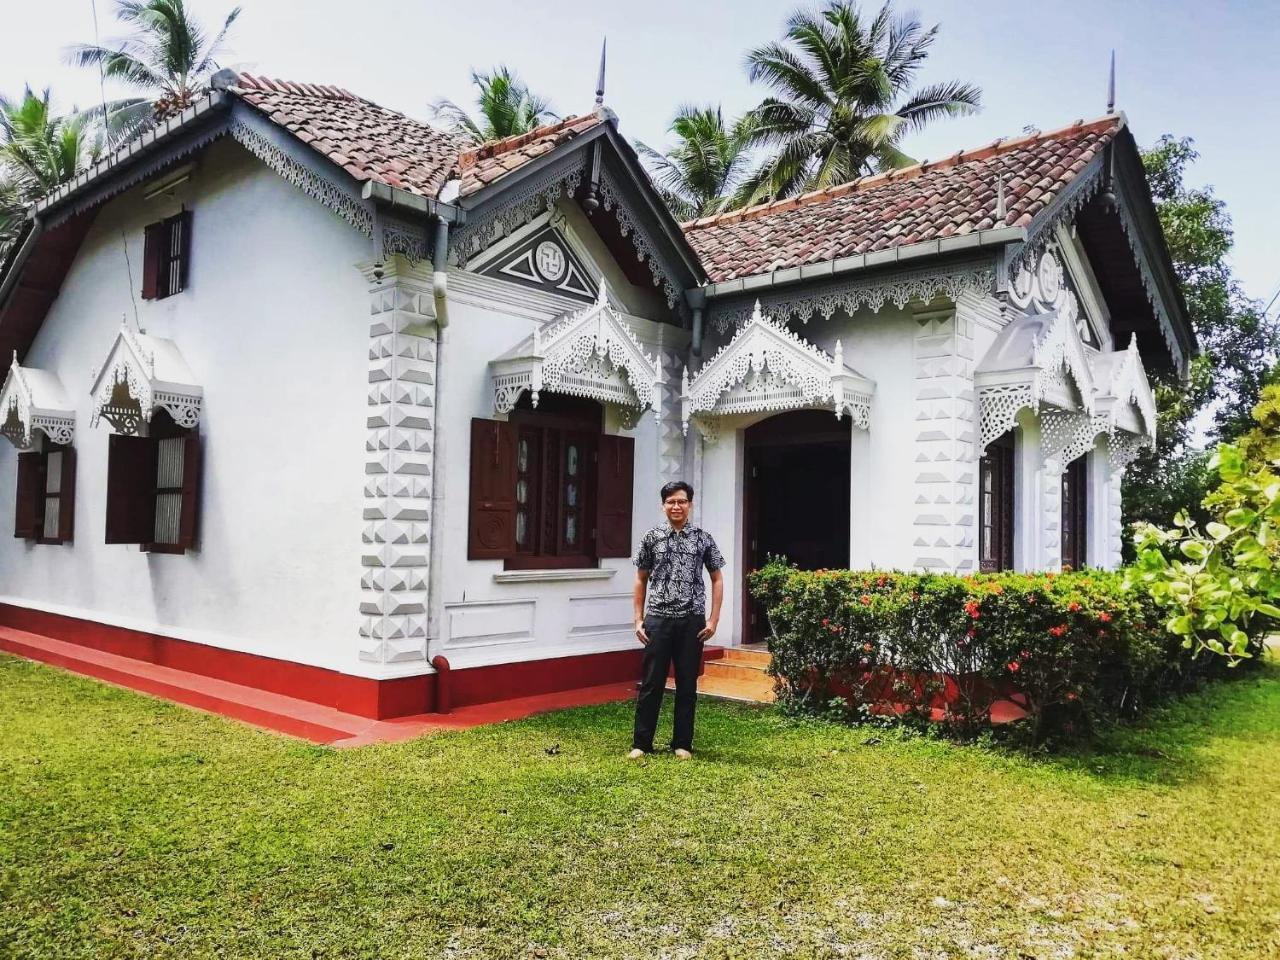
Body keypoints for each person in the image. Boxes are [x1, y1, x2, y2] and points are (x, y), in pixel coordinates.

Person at [628, 480, 725, 760]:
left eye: (682, 501)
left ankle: (682, 743)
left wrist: (713, 620)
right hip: (657, 619)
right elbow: (640, 578)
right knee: (651, 683)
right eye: (671, 501)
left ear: (690, 504)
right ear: (663, 505)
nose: (676, 506)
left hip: (692, 621)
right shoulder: (651, 537)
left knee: (687, 684)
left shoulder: (703, 538)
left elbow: (717, 578)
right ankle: (641, 743)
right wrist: (638, 619)